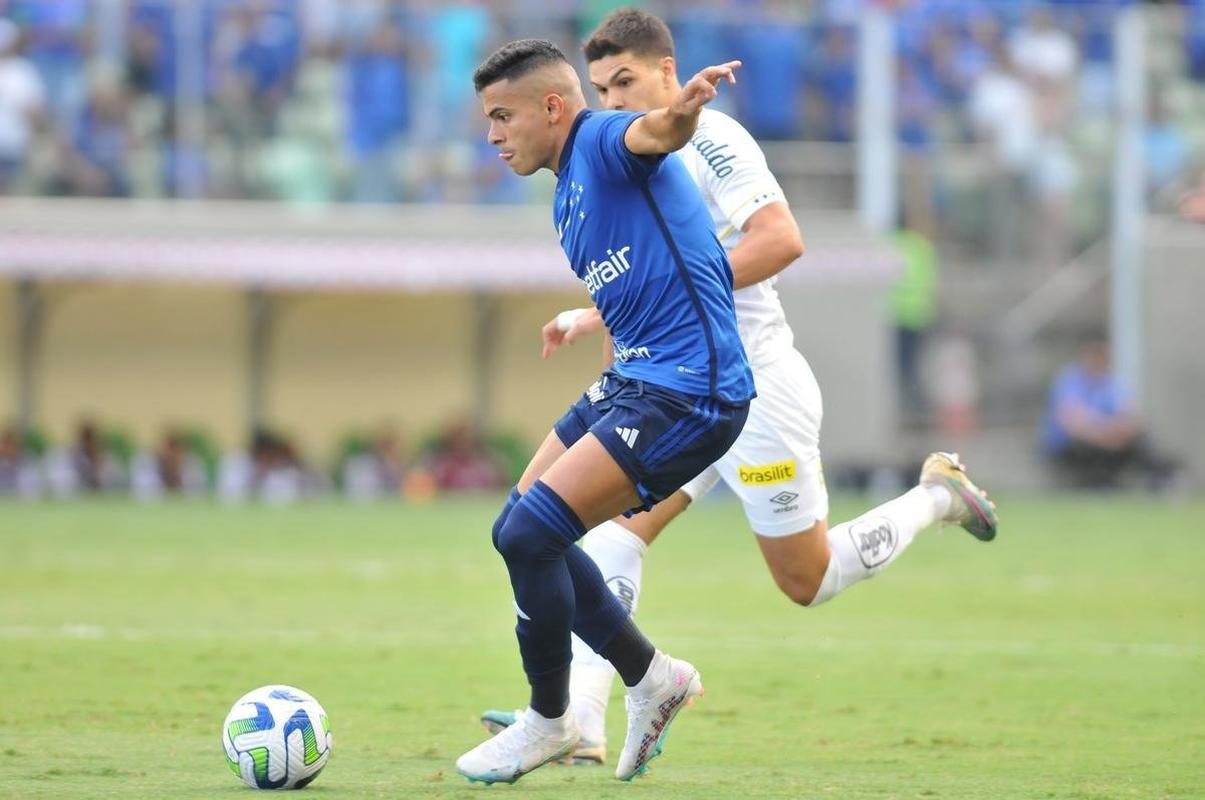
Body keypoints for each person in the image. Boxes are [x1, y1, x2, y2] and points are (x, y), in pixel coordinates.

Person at [479, 9, 999, 768]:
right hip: (671, 385)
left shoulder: (710, 140)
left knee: (805, 579)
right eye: (599, 87)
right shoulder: (597, 165)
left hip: (749, 386)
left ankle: (935, 496)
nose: (613, 100)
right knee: (598, 533)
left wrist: (670, 278)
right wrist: (604, 314)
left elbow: (780, 239)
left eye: (625, 82)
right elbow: (652, 270)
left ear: (666, 72)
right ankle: (581, 715)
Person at [456, 38, 755, 784]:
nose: (492, 135)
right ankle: (653, 679)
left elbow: (650, 134)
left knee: (532, 534)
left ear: (553, 109)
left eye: (502, 116)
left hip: (692, 391)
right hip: (639, 382)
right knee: (516, 529)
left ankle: (550, 722)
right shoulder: (566, 194)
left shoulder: (599, 140)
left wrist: (679, 111)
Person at [1042, 339, 1178, 491]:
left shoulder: (1110, 383)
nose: (1098, 362)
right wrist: (1103, 435)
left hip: (1110, 440)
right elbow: (1071, 422)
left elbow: (1132, 415)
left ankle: (1162, 479)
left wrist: (1119, 432)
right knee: (1086, 447)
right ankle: (1099, 484)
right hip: (1074, 445)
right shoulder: (1070, 380)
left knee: (1141, 440)